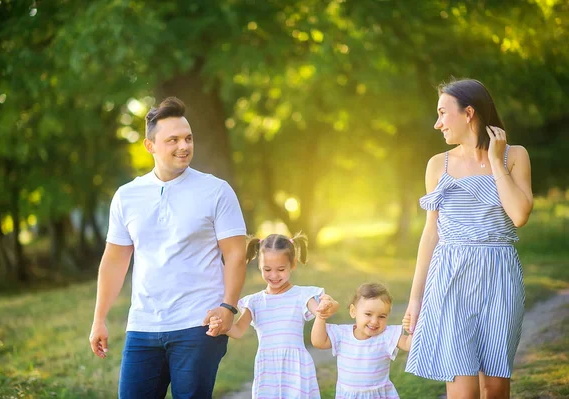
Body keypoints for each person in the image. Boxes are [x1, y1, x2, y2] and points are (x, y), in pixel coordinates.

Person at [88, 97, 247, 399]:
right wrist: (99, 319)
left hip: (199, 326)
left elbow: (236, 254)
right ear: (150, 146)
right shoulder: (127, 196)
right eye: (172, 140)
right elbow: (114, 262)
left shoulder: (216, 190)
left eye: (188, 138)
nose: (184, 146)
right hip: (142, 327)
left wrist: (228, 307)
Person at [403, 78, 533, 398]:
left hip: (499, 274)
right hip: (451, 277)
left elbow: (519, 215)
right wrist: (416, 299)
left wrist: (495, 162)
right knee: (462, 389)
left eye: (443, 113)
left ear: (468, 113)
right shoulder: (438, 165)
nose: (437, 123)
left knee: (495, 385)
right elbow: (430, 234)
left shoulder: (514, 155)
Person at [208, 233, 339, 399]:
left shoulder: (302, 295)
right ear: (259, 266)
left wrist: (328, 305)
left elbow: (322, 310)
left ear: (293, 264)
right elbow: (238, 331)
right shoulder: (254, 302)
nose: (274, 276)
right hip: (268, 369)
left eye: (281, 269)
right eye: (267, 269)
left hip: (296, 368)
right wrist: (221, 326)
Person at [311, 282, 412, 399]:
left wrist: (411, 329)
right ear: (353, 311)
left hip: (378, 395)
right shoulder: (342, 334)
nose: (374, 321)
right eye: (368, 314)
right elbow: (318, 342)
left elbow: (408, 345)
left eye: (382, 316)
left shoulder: (386, 335)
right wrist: (320, 317)